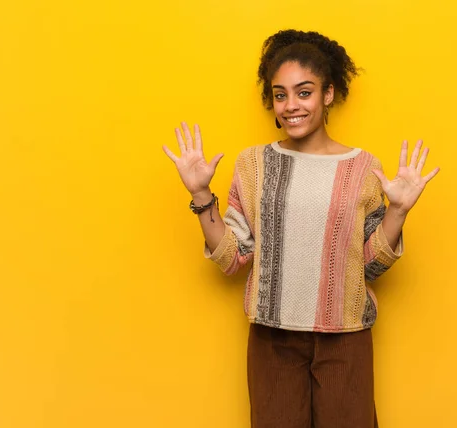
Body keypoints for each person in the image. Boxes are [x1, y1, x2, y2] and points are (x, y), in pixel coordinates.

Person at [163, 29, 439, 428]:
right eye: (280, 95)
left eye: (304, 92)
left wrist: (398, 211)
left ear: (328, 94)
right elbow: (231, 258)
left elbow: (371, 265)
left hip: (346, 336)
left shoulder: (363, 168)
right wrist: (202, 193)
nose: (290, 106)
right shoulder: (253, 164)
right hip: (272, 338)